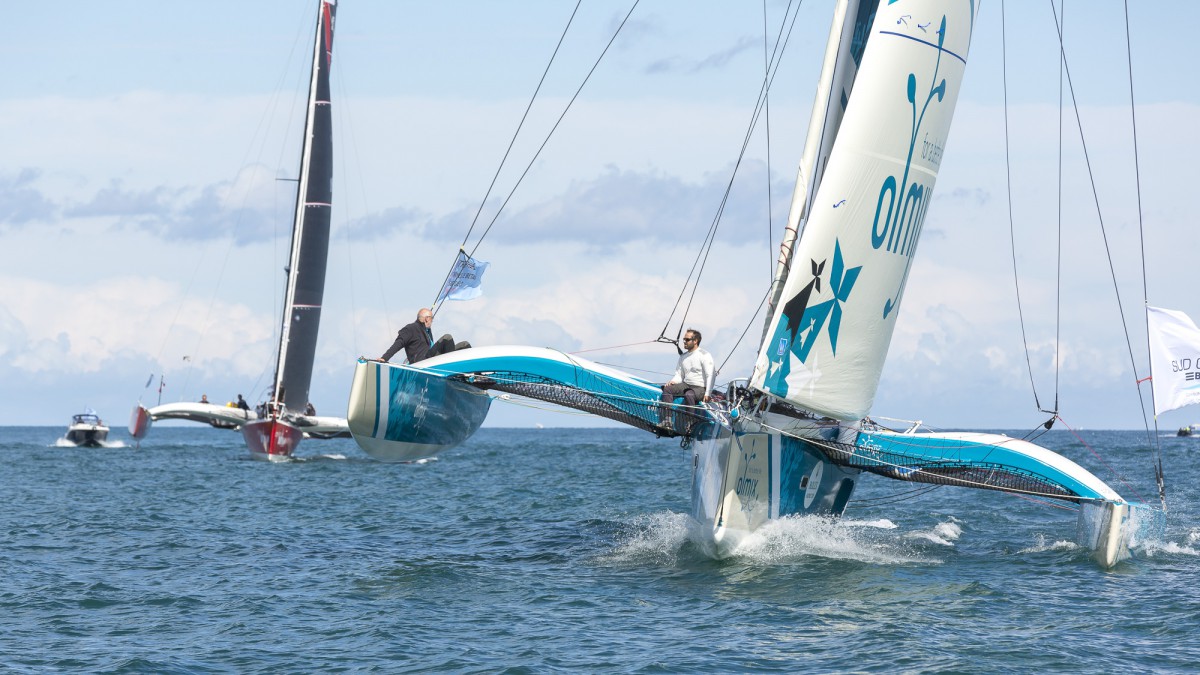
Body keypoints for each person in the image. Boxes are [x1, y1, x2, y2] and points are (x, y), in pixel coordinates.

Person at [659, 328, 715, 431]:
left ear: (695, 341)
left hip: (700, 387)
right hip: (686, 384)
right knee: (667, 389)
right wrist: (674, 381)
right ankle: (667, 421)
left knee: (689, 394)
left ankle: (690, 422)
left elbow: (711, 375)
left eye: (687, 339)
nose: (684, 341)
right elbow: (679, 375)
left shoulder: (704, 355)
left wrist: (708, 393)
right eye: (684, 339)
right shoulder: (683, 357)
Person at [380, 308, 471, 364]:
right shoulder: (411, 328)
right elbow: (398, 343)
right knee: (447, 338)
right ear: (427, 319)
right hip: (423, 361)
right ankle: (452, 367)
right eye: (432, 319)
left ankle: (474, 375)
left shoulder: (427, 330)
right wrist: (384, 358)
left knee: (465, 345)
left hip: (433, 358)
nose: (432, 322)